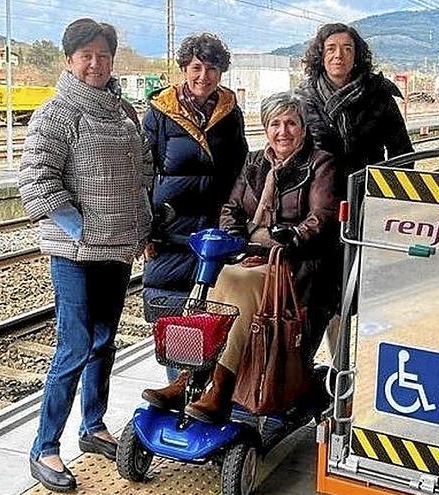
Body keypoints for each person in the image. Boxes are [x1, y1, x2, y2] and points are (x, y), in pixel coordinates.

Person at [17, 19, 152, 493]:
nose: (96, 63)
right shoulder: (56, 113)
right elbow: (36, 178)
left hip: (115, 250)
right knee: (73, 346)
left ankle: (93, 427)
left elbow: (143, 174)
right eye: (86, 55)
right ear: (70, 60)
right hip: (74, 252)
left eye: (104, 55)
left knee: (104, 343)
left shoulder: (125, 114)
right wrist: (75, 223)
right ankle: (44, 447)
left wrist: (142, 223)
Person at [153, 91, 336, 424]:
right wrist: (239, 243)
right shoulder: (254, 162)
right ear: (266, 128)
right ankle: (188, 377)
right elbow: (231, 209)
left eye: (291, 123)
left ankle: (220, 388)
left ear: (303, 129)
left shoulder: (320, 163)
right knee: (216, 279)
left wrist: (280, 239)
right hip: (249, 257)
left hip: (294, 263)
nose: (284, 131)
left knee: (237, 284)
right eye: (275, 124)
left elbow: (321, 217)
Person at [140, 33, 248, 410]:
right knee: (176, 309)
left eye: (212, 68)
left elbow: (240, 172)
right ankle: (180, 391)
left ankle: (208, 394)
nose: (203, 76)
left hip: (216, 231)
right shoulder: (159, 112)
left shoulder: (230, 113)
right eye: (197, 67)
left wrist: (238, 223)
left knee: (212, 311)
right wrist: (145, 228)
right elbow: (142, 171)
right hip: (170, 230)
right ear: (184, 69)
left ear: (221, 72)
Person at [297, 22, 414, 195]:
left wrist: (390, 195)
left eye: (347, 49)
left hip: (367, 193)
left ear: (356, 55)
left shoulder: (378, 94)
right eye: (331, 48)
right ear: (320, 55)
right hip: (317, 196)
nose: (339, 55)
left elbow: (402, 152)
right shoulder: (303, 98)